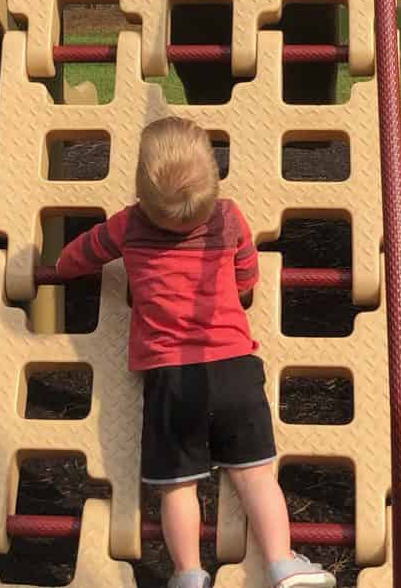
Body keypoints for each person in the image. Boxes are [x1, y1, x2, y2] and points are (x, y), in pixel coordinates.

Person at [56, 116, 337, 588]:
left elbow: (78, 256)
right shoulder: (229, 219)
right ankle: (283, 562)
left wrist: (58, 268)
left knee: (178, 487)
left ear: (142, 189)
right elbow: (247, 273)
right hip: (234, 370)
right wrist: (241, 286)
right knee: (256, 477)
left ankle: (188, 574)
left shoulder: (128, 226)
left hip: (171, 379)